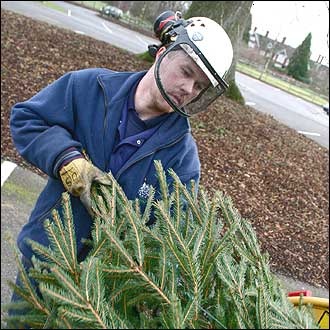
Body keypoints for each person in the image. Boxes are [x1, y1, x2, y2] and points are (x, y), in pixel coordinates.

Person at [8, 10, 233, 319]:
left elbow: (170, 244)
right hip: (43, 263)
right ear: (163, 54)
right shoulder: (89, 88)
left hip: (102, 303)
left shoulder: (182, 160)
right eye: (186, 72)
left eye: (199, 86)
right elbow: (28, 119)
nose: (187, 89)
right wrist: (66, 158)